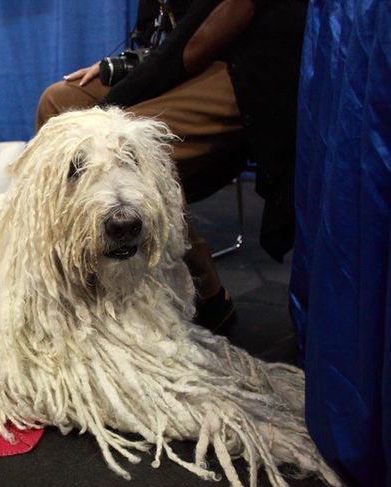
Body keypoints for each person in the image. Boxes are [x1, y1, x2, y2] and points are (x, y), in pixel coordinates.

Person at [35, 0, 308, 333]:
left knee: (137, 138)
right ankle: (78, 276)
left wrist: (102, 117)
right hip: (181, 63)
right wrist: (119, 66)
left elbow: (196, 45)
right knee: (60, 101)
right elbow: (163, 39)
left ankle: (204, 291)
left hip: (246, 68)